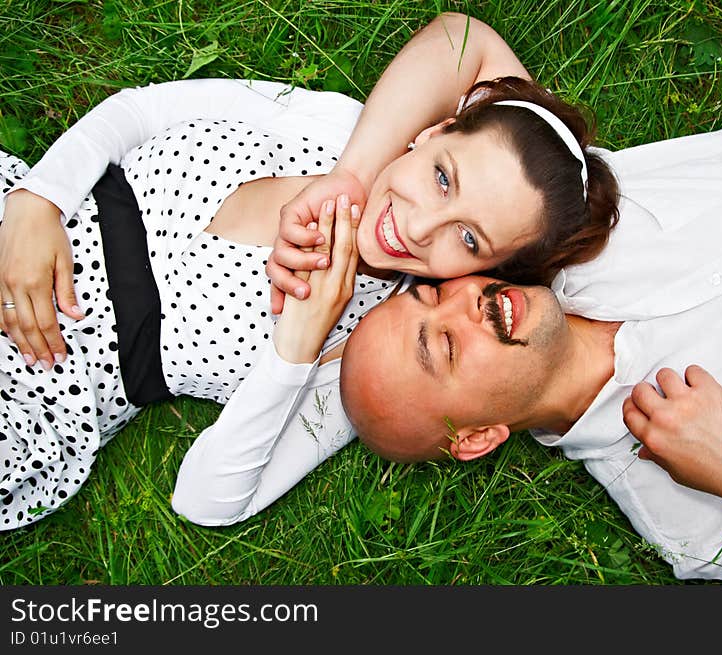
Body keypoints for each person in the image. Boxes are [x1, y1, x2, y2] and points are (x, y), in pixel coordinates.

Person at [0, 13, 619, 530]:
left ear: (489, 268)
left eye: (468, 236)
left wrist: (296, 345)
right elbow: (142, 113)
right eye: (442, 177)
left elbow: (206, 502)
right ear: (434, 129)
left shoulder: (376, 339)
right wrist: (41, 198)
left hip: (41, 374)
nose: (418, 225)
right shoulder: (337, 128)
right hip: (31, 219)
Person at [336, 91, 722, 584]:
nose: (465, 303)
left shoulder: (554, 228)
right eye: (446, 347)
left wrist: (344, 182)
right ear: (477, 437)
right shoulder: (681, 511)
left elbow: (462, 43)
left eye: (433, 294)